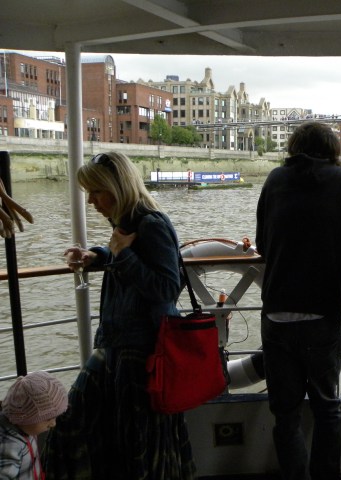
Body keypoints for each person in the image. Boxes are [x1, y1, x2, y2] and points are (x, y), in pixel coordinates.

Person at [42, 152, 195, 479]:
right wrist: (95, 255)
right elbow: (130, 262)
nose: (91, 201)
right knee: (79, 420)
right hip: (117, 345)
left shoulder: (151, 223)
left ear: (117, 187)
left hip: (142, 352)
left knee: (136, 438)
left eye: (96, 191)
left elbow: (167, 287)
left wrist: (121, 254)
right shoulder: (126, 223)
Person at [256, 122, 341, 479]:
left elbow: (262, 242)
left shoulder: (275, 180)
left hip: (276, 314)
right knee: (327, 410)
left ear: (293, 145)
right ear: (333, 149)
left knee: (285, 414)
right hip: (323, 315)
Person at [1, 371, 68, 480]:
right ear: (25, 417)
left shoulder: (26, 428)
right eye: (48, 419)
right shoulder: (9, 445)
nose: (53, 424)